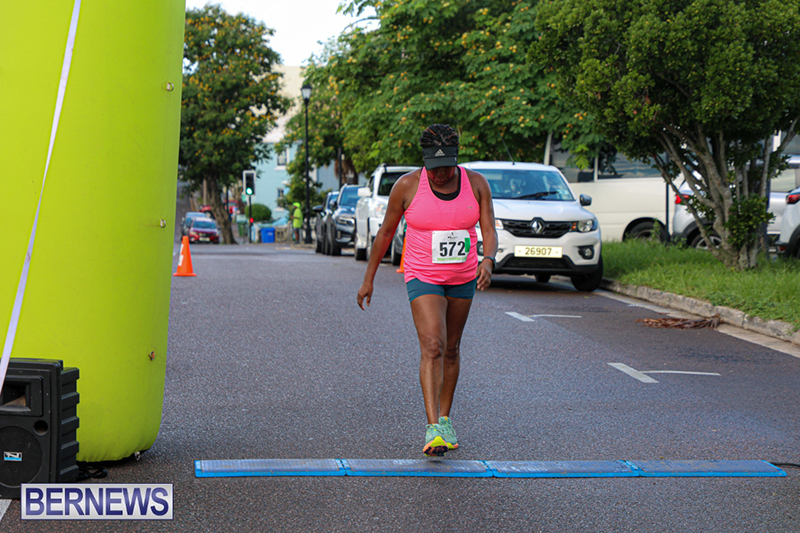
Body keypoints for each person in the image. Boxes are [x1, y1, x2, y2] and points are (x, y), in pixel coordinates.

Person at [357, 124, 498, 457]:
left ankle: (446, 419)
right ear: (424, 162)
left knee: (452, 347)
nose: (440, 174)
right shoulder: (406, 186)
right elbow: (385, 233)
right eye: (433, 168)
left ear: (456, 159)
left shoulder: (476, 184)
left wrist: (488, 260)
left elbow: (489, 229)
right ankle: (433, 427)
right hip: (422, 274)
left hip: (463, 275)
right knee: (434, 343)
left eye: (446, 167)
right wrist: (368, 278)